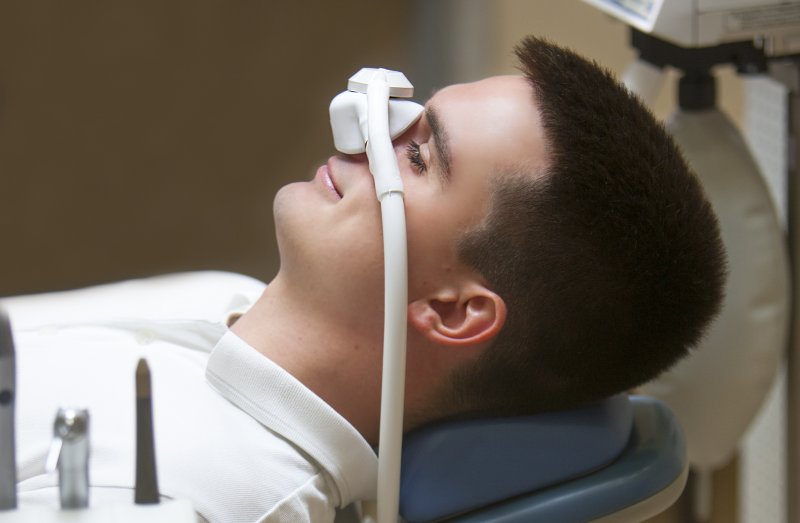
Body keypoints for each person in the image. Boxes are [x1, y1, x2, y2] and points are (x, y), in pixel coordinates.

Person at [8, 36, 725, 522]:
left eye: (419, 157)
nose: (363, 129)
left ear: (454, 311)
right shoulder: (225, 301)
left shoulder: (188, 498)